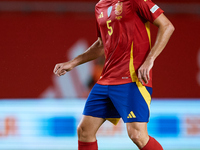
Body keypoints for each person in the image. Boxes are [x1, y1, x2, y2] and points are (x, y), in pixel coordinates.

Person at [54, 0, 174, 149]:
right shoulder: (100, 6)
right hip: (107, 80)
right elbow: (101, 44)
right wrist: (72, 63)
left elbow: (167, 26)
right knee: (84, 131)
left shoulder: (135, 1)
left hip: (132, 78)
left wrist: (150, 59)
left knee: (137, 135)